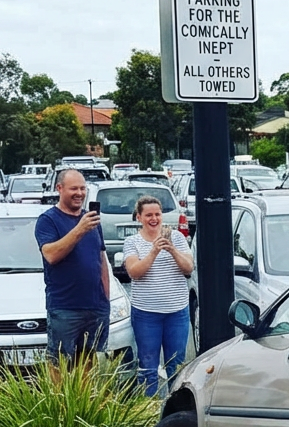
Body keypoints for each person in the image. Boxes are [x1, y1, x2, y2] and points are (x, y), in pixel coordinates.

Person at [33, 168, 110, 363]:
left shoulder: (91, 220)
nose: (80, 193)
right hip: (65, 308)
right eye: (73, 188)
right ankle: (59, 396)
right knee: (59, 363)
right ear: (59, 188)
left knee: (89, 362)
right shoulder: (48, 220)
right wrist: (79, 229)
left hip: (96, 307)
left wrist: (105, 300)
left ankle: (85, 395)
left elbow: (101, 260)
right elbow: (50, 254)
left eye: (83, 188)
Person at [122, 196, 194, 397]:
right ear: (139, 217)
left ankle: (176, 409)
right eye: (148, 215)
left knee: (176, 364)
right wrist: (154, 251)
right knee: (148, 366)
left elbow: (189, 267)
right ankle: (149, 411)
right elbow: (134, 272)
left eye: (157, 214)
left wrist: (171, 249)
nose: (154, 219)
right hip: (146, 313)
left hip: (176, 312)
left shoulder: (177, 237)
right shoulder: (132, 242)